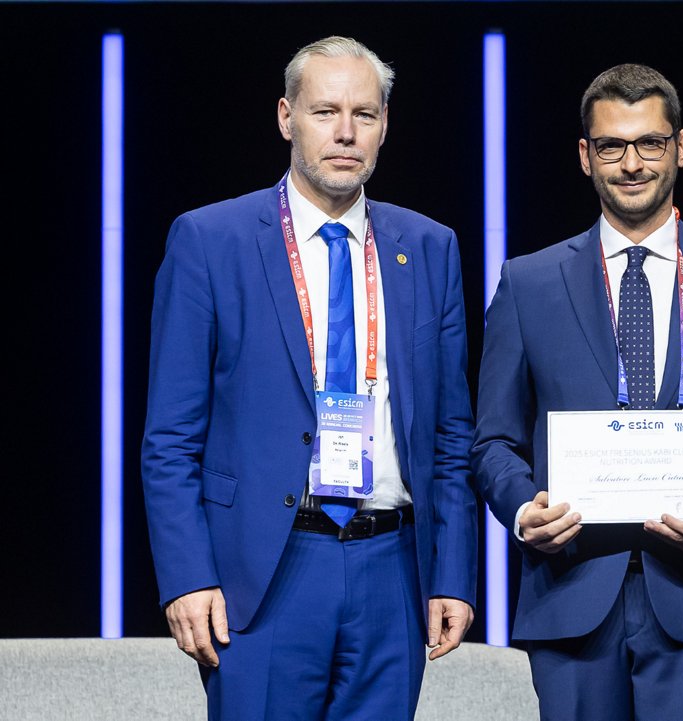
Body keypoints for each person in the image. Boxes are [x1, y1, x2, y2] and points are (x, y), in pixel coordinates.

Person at [141, 36, 476, 720]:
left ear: (385, 125)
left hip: (393, 566)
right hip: (264, 569)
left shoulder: (431, 247)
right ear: (286, 117)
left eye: (366, 113)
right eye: (325, 111)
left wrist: (454, 575)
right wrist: (186, 575)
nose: (346, 132)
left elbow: (451, 434)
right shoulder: (211, 241)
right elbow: (170, 438)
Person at [471, 63, 683, 720]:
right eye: (611, 146)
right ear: (585, 155)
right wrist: (521, 511)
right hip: (569, 591)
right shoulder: (528, 284)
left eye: (649, 143)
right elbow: (492, 440)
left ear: (680, 147)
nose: (632, 163)